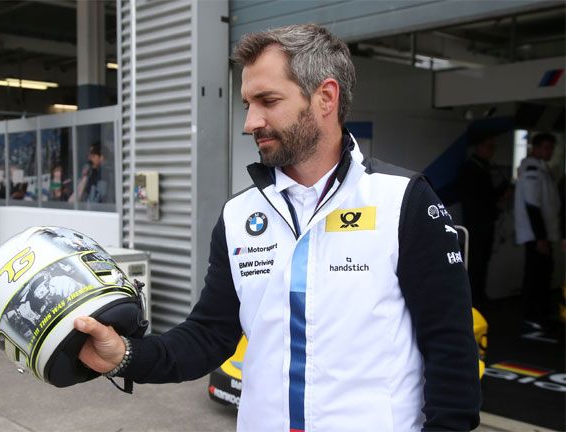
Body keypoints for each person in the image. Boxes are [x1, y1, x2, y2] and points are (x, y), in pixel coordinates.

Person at [74, 24, 480, 431]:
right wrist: (126, 355)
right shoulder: (239, 215)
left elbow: (450, 349)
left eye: (267, 101)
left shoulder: (403, 201)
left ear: (325, 97)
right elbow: (208, 336)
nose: (251, 122)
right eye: (248, 104)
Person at [514, 132, 561, 330]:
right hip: (535, 235)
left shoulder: (542, 169)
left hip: (543, 234)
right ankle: (530, 315)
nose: (550, 152)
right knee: (535, 275)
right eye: (547, 147)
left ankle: (542, 313)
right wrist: (540, 238)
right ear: (536, 148)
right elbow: (533, 206)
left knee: (544, 274)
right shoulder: (532, 170)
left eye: (552, 148)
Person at [457, 131, 506, 309]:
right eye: (489, 146)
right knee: (476, 262)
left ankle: (479, 295)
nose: (492, 151)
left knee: (483, 260)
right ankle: (473, 299)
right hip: (476, 223)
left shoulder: (483, 166)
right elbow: (484, 196)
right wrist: (502, 191)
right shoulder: (472, 168)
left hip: (485, 221)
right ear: (479, 147)